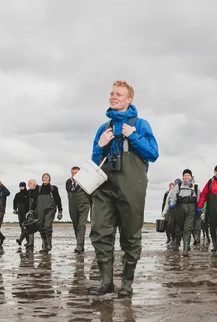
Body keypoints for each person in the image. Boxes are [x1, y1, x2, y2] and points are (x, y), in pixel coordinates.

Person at [89, 80, 159, 297]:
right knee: (100, 231)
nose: (113, 96)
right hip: (105, 186)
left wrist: (133, 135)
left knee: (130, 234)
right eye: (111, 93)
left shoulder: (140, 124)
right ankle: (106, 282)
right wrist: (100, 145)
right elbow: (94, 160)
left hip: (132, 185)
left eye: (118, 94)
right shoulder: (104, 127)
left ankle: (126, 284)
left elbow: (153, 153)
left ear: (129, 99)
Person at [166, 169, 199, 257]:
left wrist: (200, 208)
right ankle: (181, 244)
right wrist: (172, 202)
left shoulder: (195, 187)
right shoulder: (178, 186)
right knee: (180, 228)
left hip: (191, 210)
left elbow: (199, 198)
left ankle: (185, 250)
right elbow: (173, 195)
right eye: (185, 175)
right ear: (183, 177)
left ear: (191, 177)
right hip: (179, 209)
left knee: (188, 229)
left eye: (188, 175)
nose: (186, 177)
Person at [32, 173, 63, 254]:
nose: (45, 178)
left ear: (49, 179)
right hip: (40, 210)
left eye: (47, 177)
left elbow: (58, 199)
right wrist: (31, 210)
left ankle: (49, 245)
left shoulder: (53, 188)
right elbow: (34, 200)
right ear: (42, 179)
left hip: (50, 209)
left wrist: (60, 211)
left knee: (47, 226)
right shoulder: (38, 188)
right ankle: (44, 245)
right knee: (40, 226)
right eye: (44, 177)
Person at [67, 166, 91, 254]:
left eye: (76, 173)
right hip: (72, 206)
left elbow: (90, 193)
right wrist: (74, 183)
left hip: (83, 205)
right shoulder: (68, 182)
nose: (74, 175)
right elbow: (69, 191)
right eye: (73, 173)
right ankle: (80, 244)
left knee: (81, 225)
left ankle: (79, 246)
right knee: (75, 225)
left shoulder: (85, 182)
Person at [12, 181, 30, 249]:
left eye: (22, 186)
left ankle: (20, 240)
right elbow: (14, 201)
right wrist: (15, 209)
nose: (21, 187)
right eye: (20, 186)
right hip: (20, 212)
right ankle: (28, 242)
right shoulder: (17, 194)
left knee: (25, 226)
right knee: (22, 226)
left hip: (27, 212)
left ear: (25, 186)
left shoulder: (28, 193)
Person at [162, 182, 175, 247]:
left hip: (172, 210)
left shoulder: (175, 192)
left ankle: (173, 238)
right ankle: (168, 237)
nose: (171, 188)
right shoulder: (166, 193)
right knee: (167, 224)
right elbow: (164, 202)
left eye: (172, 186)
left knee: (172, 224)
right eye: (170, 187)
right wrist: (163, 211)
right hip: (167, 211)